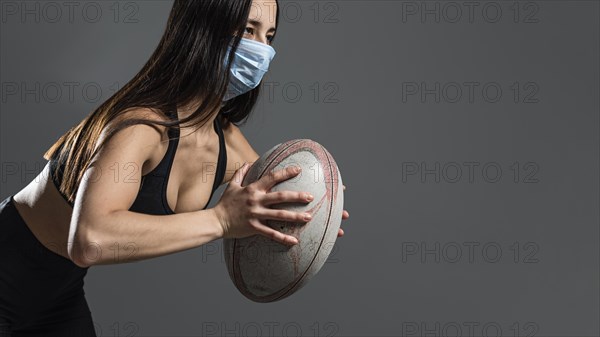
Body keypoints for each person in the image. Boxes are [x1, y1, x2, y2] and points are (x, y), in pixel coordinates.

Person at [0, 0, 349, 336]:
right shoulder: (142, 125)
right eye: (248, 30)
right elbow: (89, 241)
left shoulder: (226, 143)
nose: (261, 51)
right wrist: (220, 221)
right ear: (203, 30)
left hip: (58, 294)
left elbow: (270, 198)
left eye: (268, 37)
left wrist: (315, 211)